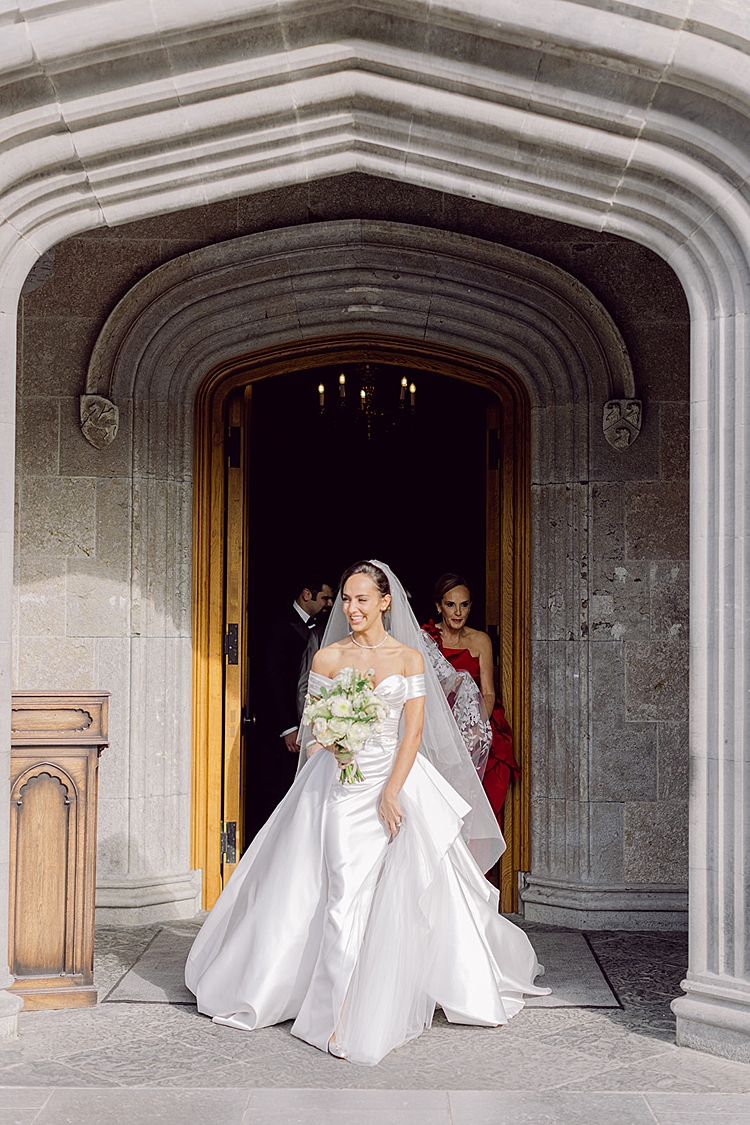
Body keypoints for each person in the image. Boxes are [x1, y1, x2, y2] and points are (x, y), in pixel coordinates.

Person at [186, 560, 549, 1066]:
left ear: (385, 602)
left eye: (361, 599)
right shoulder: (328, 659)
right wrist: (330, 744)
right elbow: (314, 731)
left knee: (418, 891)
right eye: (346, 600)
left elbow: (414, 732)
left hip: (395, 782)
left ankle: (401, 985)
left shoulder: (408, 659)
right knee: (341, 893)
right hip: (337, 787)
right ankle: (332, 1014)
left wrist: (391, 792)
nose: (351, 609)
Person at [423, 573, 520, 826]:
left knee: (481, 800)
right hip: (435, 730)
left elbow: (488, 692)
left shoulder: (480, 640)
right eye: (450, 604)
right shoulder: (426, 640)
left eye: (464, 605)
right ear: (438, 606)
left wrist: (473, 730)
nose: (458, 612)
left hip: (475, 725)